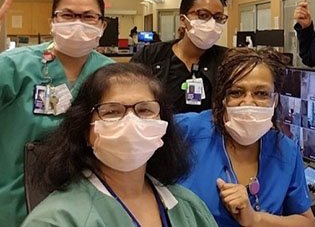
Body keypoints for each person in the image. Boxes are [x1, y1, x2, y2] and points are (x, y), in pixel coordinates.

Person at [0, 0, 113, 226]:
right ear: (52, 22)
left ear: (102, 25)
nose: (78, 23)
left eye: (88, 16)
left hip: (82, 205)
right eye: (67, 15)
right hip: (11, 204)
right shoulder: (16, 64)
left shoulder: (112, 73)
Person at [22, 63, 217, 226]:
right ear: (85, 131)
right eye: (111, 112)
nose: (131, 123)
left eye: (144, 110)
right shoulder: (55, 220)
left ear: (163, 125)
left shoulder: (188, 207)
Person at [176, 48, 315, 227]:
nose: (248, 102)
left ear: (275, 100)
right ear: (223, 99)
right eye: (236, 92)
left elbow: (307, 222)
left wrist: (255, 219)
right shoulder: (187, 131)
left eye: (261, 93)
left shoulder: (285, 151)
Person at [131, 0, 227, 113]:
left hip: (210, 130)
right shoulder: (151, 56)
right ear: (183, 19)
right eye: (203, 15)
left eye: (218, 18)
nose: (212, 23)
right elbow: (130, 94)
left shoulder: (227, 59)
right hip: (161, 130)